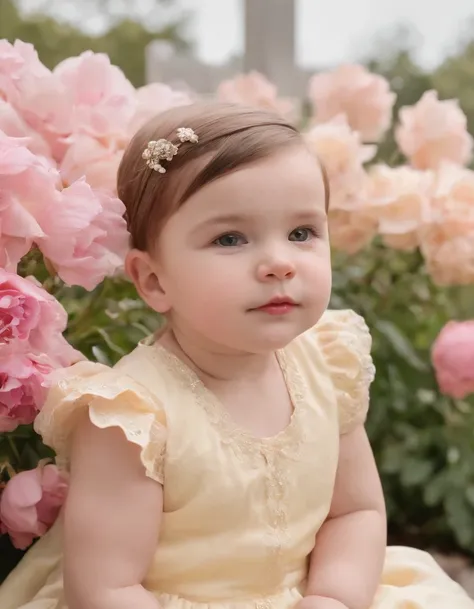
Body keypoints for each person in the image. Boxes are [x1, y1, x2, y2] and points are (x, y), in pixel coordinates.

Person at [0, 102, 472, 609]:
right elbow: (106, 588)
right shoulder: (132, 415)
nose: (278, 263)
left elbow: (354, 512)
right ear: (154, 280)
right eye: (230, 238)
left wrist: (333, 598)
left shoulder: (326, 364)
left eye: (301, 233)